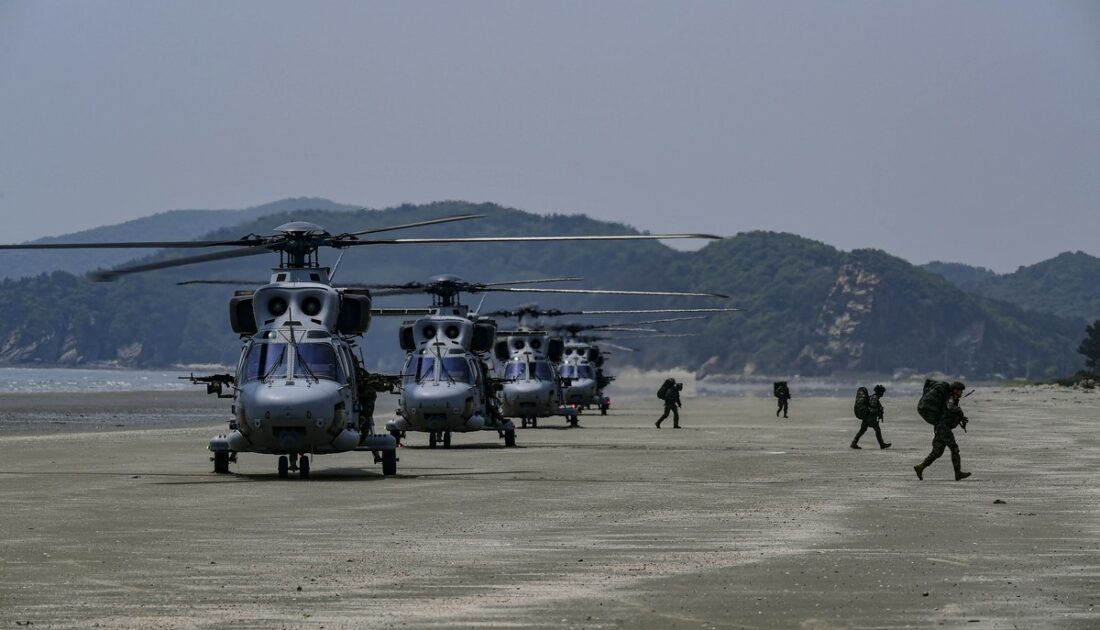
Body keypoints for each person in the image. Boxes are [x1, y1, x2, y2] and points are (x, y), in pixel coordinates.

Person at [914, 381, 971, 481]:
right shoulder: (950, 398)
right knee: (954, 448)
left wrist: (961, 417)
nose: (961, 393)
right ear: (955, 390)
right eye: (960, 391)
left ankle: (920, 467)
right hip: (943, 428)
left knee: (937, 452)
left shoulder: (952, 399)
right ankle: (958, 473)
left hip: (940, 427)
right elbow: (950, 407)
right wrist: (959, 411)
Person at [850, 384, 891, 449]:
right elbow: (872, 407)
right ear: (879, 392)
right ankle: (882, 444)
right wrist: (878, 410)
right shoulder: (875, 397)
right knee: (877, 429)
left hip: (867, 416)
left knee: (862, 430)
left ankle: (854, 443)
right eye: (882, 392)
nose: (883, 393)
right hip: (869, 417)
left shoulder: (874, 397)